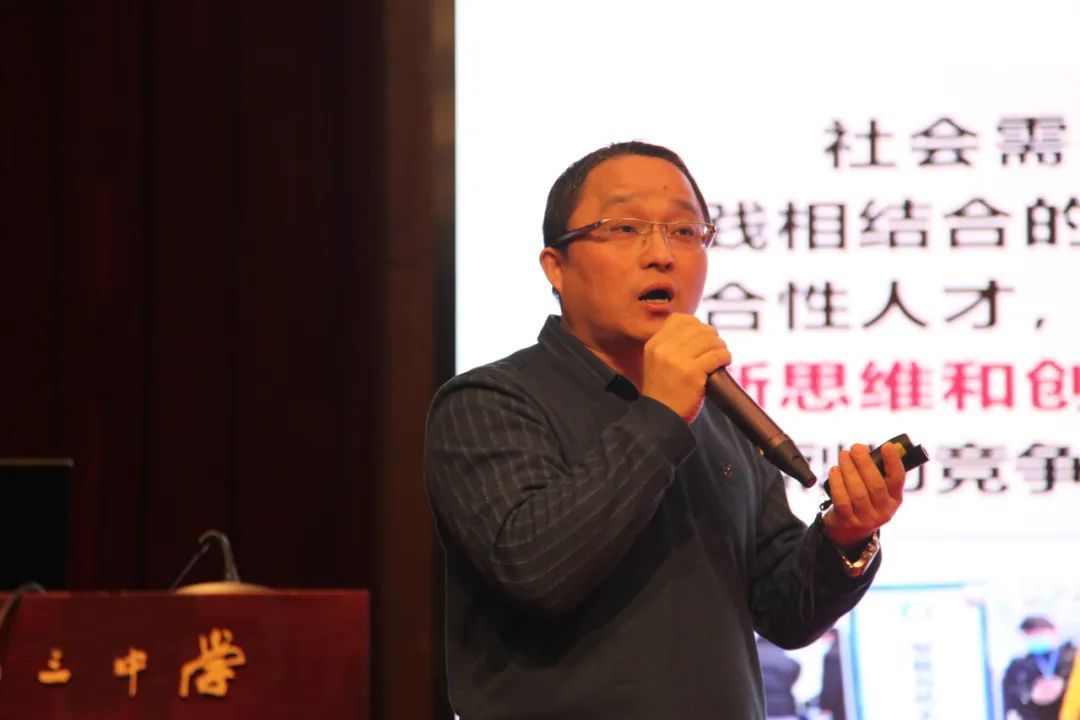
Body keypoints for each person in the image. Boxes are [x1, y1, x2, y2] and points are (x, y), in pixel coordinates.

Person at [425, 141, 908, 719]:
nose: (661, 255)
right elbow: (536, 571)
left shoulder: (720, 415)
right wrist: (660, 414)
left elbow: (784, 614)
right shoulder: (489, 402)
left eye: (684, 232)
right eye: (625, 229)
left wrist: (845, 536)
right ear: (556, 266)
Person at [1002, 616, 1077, 720]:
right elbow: (1010, 699)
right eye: (1030, 634)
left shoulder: (1072, 658)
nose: (1035, 637)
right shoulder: (1019, 667)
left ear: (1054, 632)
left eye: (1039, 633)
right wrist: (1031, 693)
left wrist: (1064, 686)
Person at [757, 636, 802, 719]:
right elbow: (793, 681)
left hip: (757, 707)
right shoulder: (792, 664)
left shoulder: (748, 661)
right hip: (784, 709)